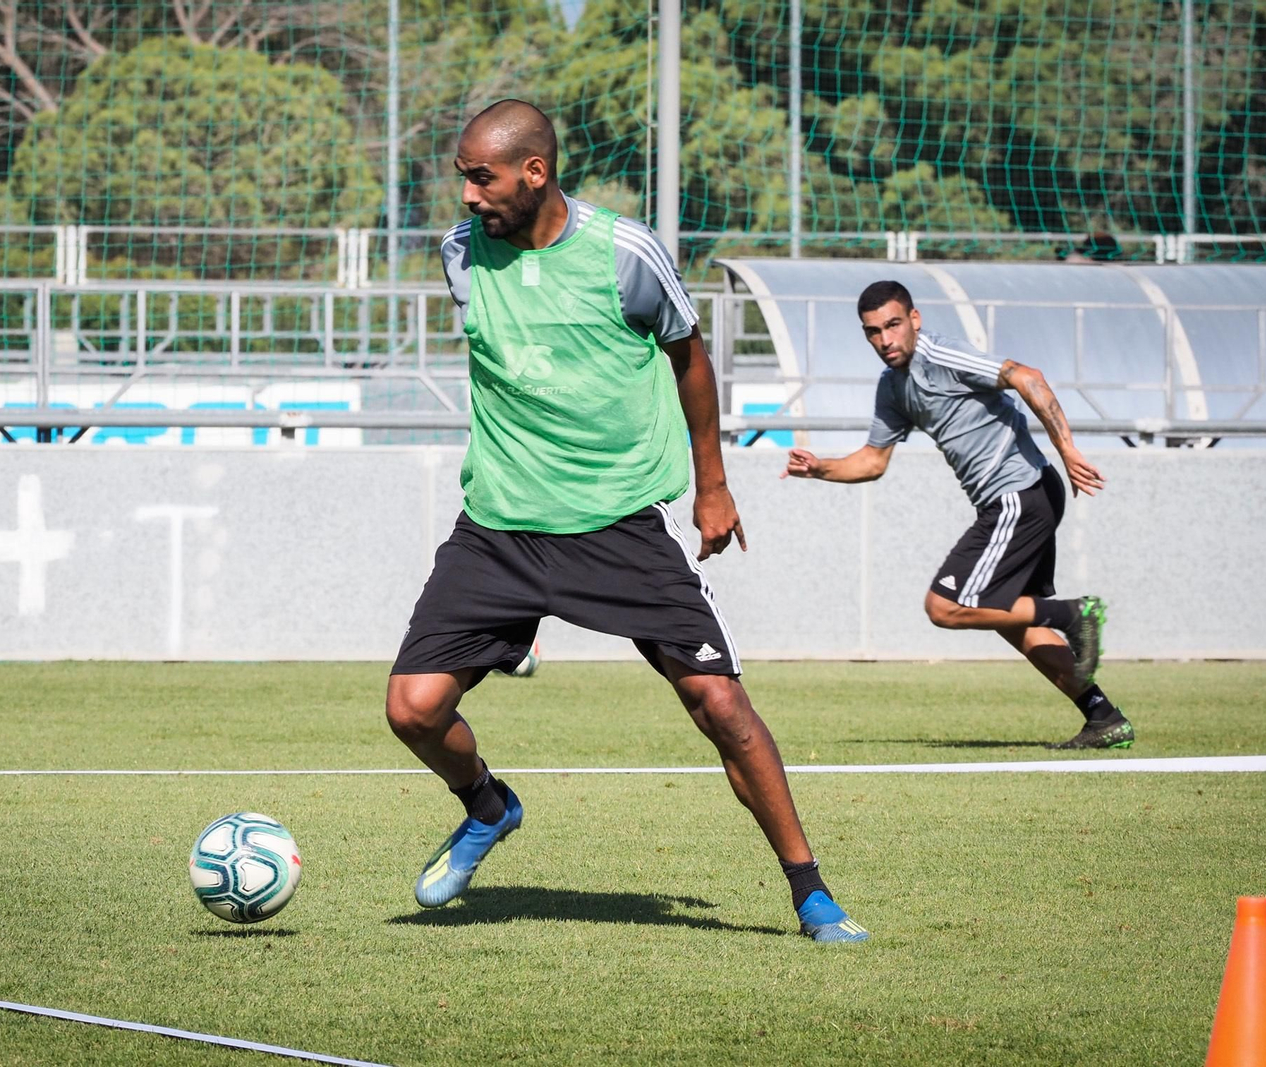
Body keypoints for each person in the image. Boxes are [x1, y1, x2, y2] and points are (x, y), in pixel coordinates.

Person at [385, 100, 869, 943]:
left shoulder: (626, 253)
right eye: (463, 178)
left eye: (482, 178)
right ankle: (488, 806)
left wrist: (713, 485)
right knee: (413, 709)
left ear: (536, 171)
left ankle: (811, 891)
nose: (467, 196)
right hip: (500, 524)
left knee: (720, 703)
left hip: (617, 521)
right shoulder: (461, 253)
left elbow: (689, 357)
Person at [782, 280, 1131, 750]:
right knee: (1013, 621)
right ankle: (1104, 717)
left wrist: (1066, 449)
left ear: (915, 320)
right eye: (873, 332)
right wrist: (820, 468)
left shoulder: (942, 356)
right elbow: (872, 461)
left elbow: (1028, 376)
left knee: (945, 606)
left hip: (1019, 494)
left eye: (893, 325)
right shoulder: (893, 387)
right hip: (1017, 500)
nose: (885, 340)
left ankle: (1075, 614)